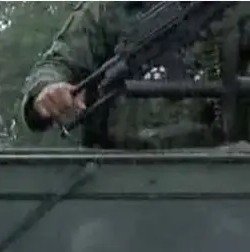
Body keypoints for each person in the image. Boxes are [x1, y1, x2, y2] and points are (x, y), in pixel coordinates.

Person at [19, 4, 250, 149]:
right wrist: (48, 89)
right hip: (117, 177)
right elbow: (60, 61)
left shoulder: (236, 10)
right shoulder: (107, 10)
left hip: (218, 173)